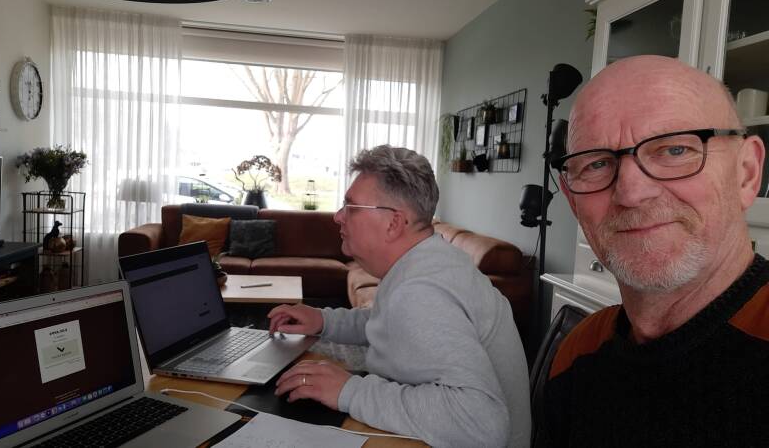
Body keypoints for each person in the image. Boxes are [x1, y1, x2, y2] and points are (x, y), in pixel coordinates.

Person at [544, 55, 769, 447]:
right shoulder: (577, 354)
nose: (631, 192)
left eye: (674, 150)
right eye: (596, 164)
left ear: (746, 173)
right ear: (572, 202)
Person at [268, 145, 530, 447]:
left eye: (351, 206)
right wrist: (324, 321)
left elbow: (483, 423)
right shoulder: (424, 263)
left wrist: (350, 391)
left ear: (393, 223)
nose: (338, 216)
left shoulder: (422, 290)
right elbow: (390, 321)